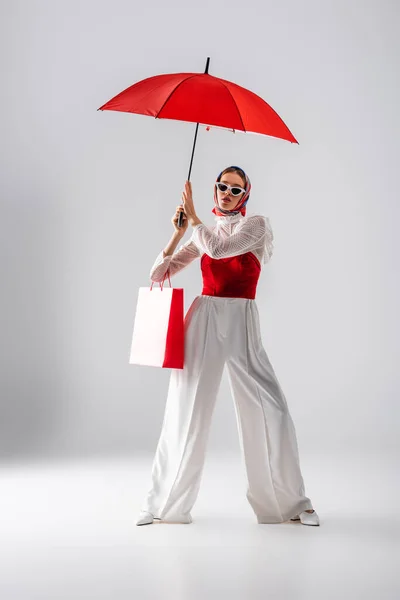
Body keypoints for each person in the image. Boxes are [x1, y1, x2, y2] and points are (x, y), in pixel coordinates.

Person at [136, 166, 320, 527]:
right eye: (222, 186)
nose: (227, 193)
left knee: (272, 410)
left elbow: (221, 250)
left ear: (246, 194)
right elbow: (158, 275)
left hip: (241, 322)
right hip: (204, 318)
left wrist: (195, 218)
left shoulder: (257, 226)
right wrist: (177, 234)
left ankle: (292, 504)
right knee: (185, 407)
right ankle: (160, 504)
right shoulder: (202, 234)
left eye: (235, 189)